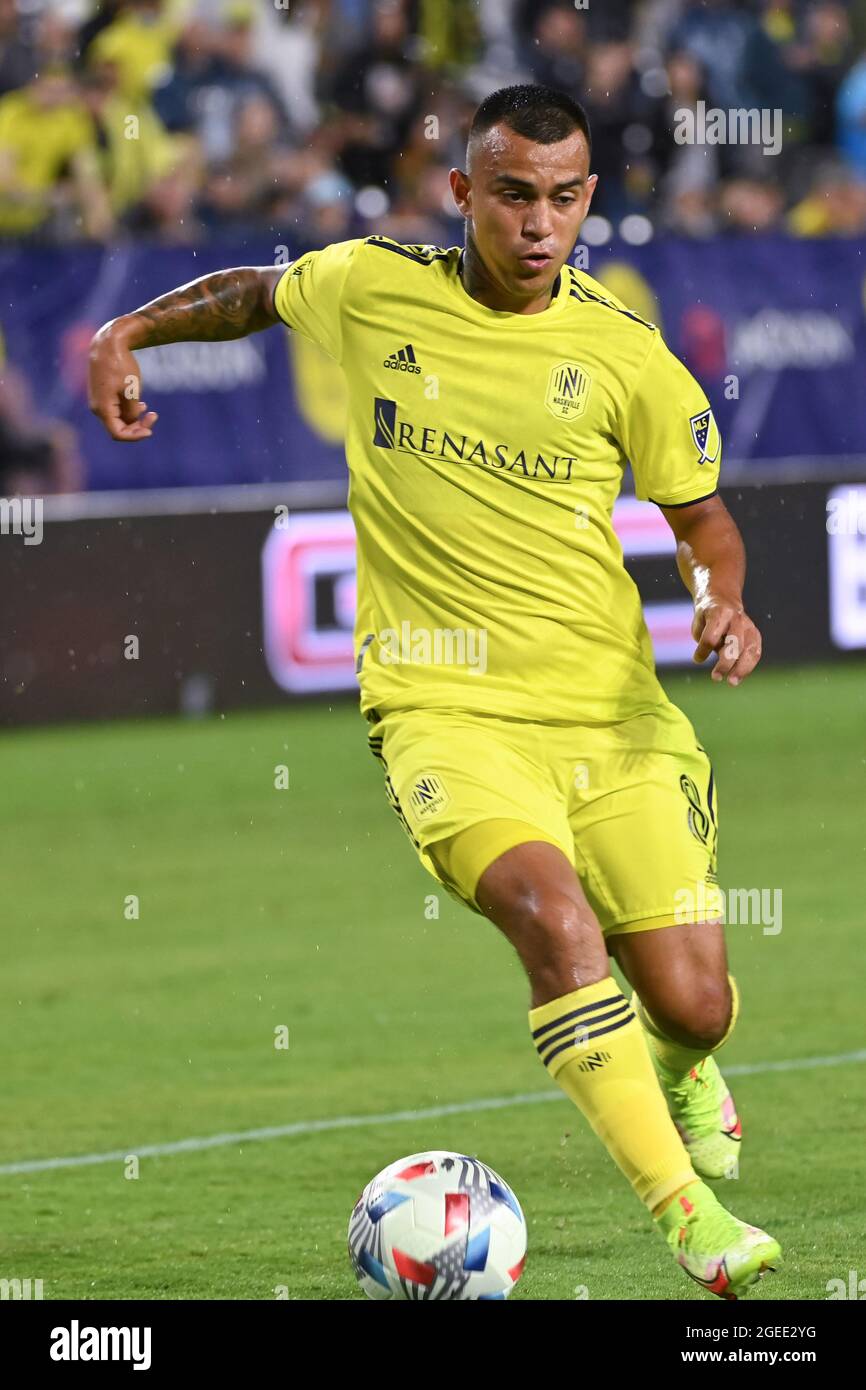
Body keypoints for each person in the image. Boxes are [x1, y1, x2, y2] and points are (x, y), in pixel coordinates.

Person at [87, 83, 779, 1300]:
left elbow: (701, 520)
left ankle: (682, 1065)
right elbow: (255, 290)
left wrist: (718, 596)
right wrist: (122, 334)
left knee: (697, 1002)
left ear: (587, 202)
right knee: (552, 923)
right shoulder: (372, 282)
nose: (536, 223)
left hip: (611, 718)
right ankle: (690, 1220)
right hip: (440, 710)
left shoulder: (625, 353)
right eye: (511, 194)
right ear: (461, 192)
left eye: (563, 198)